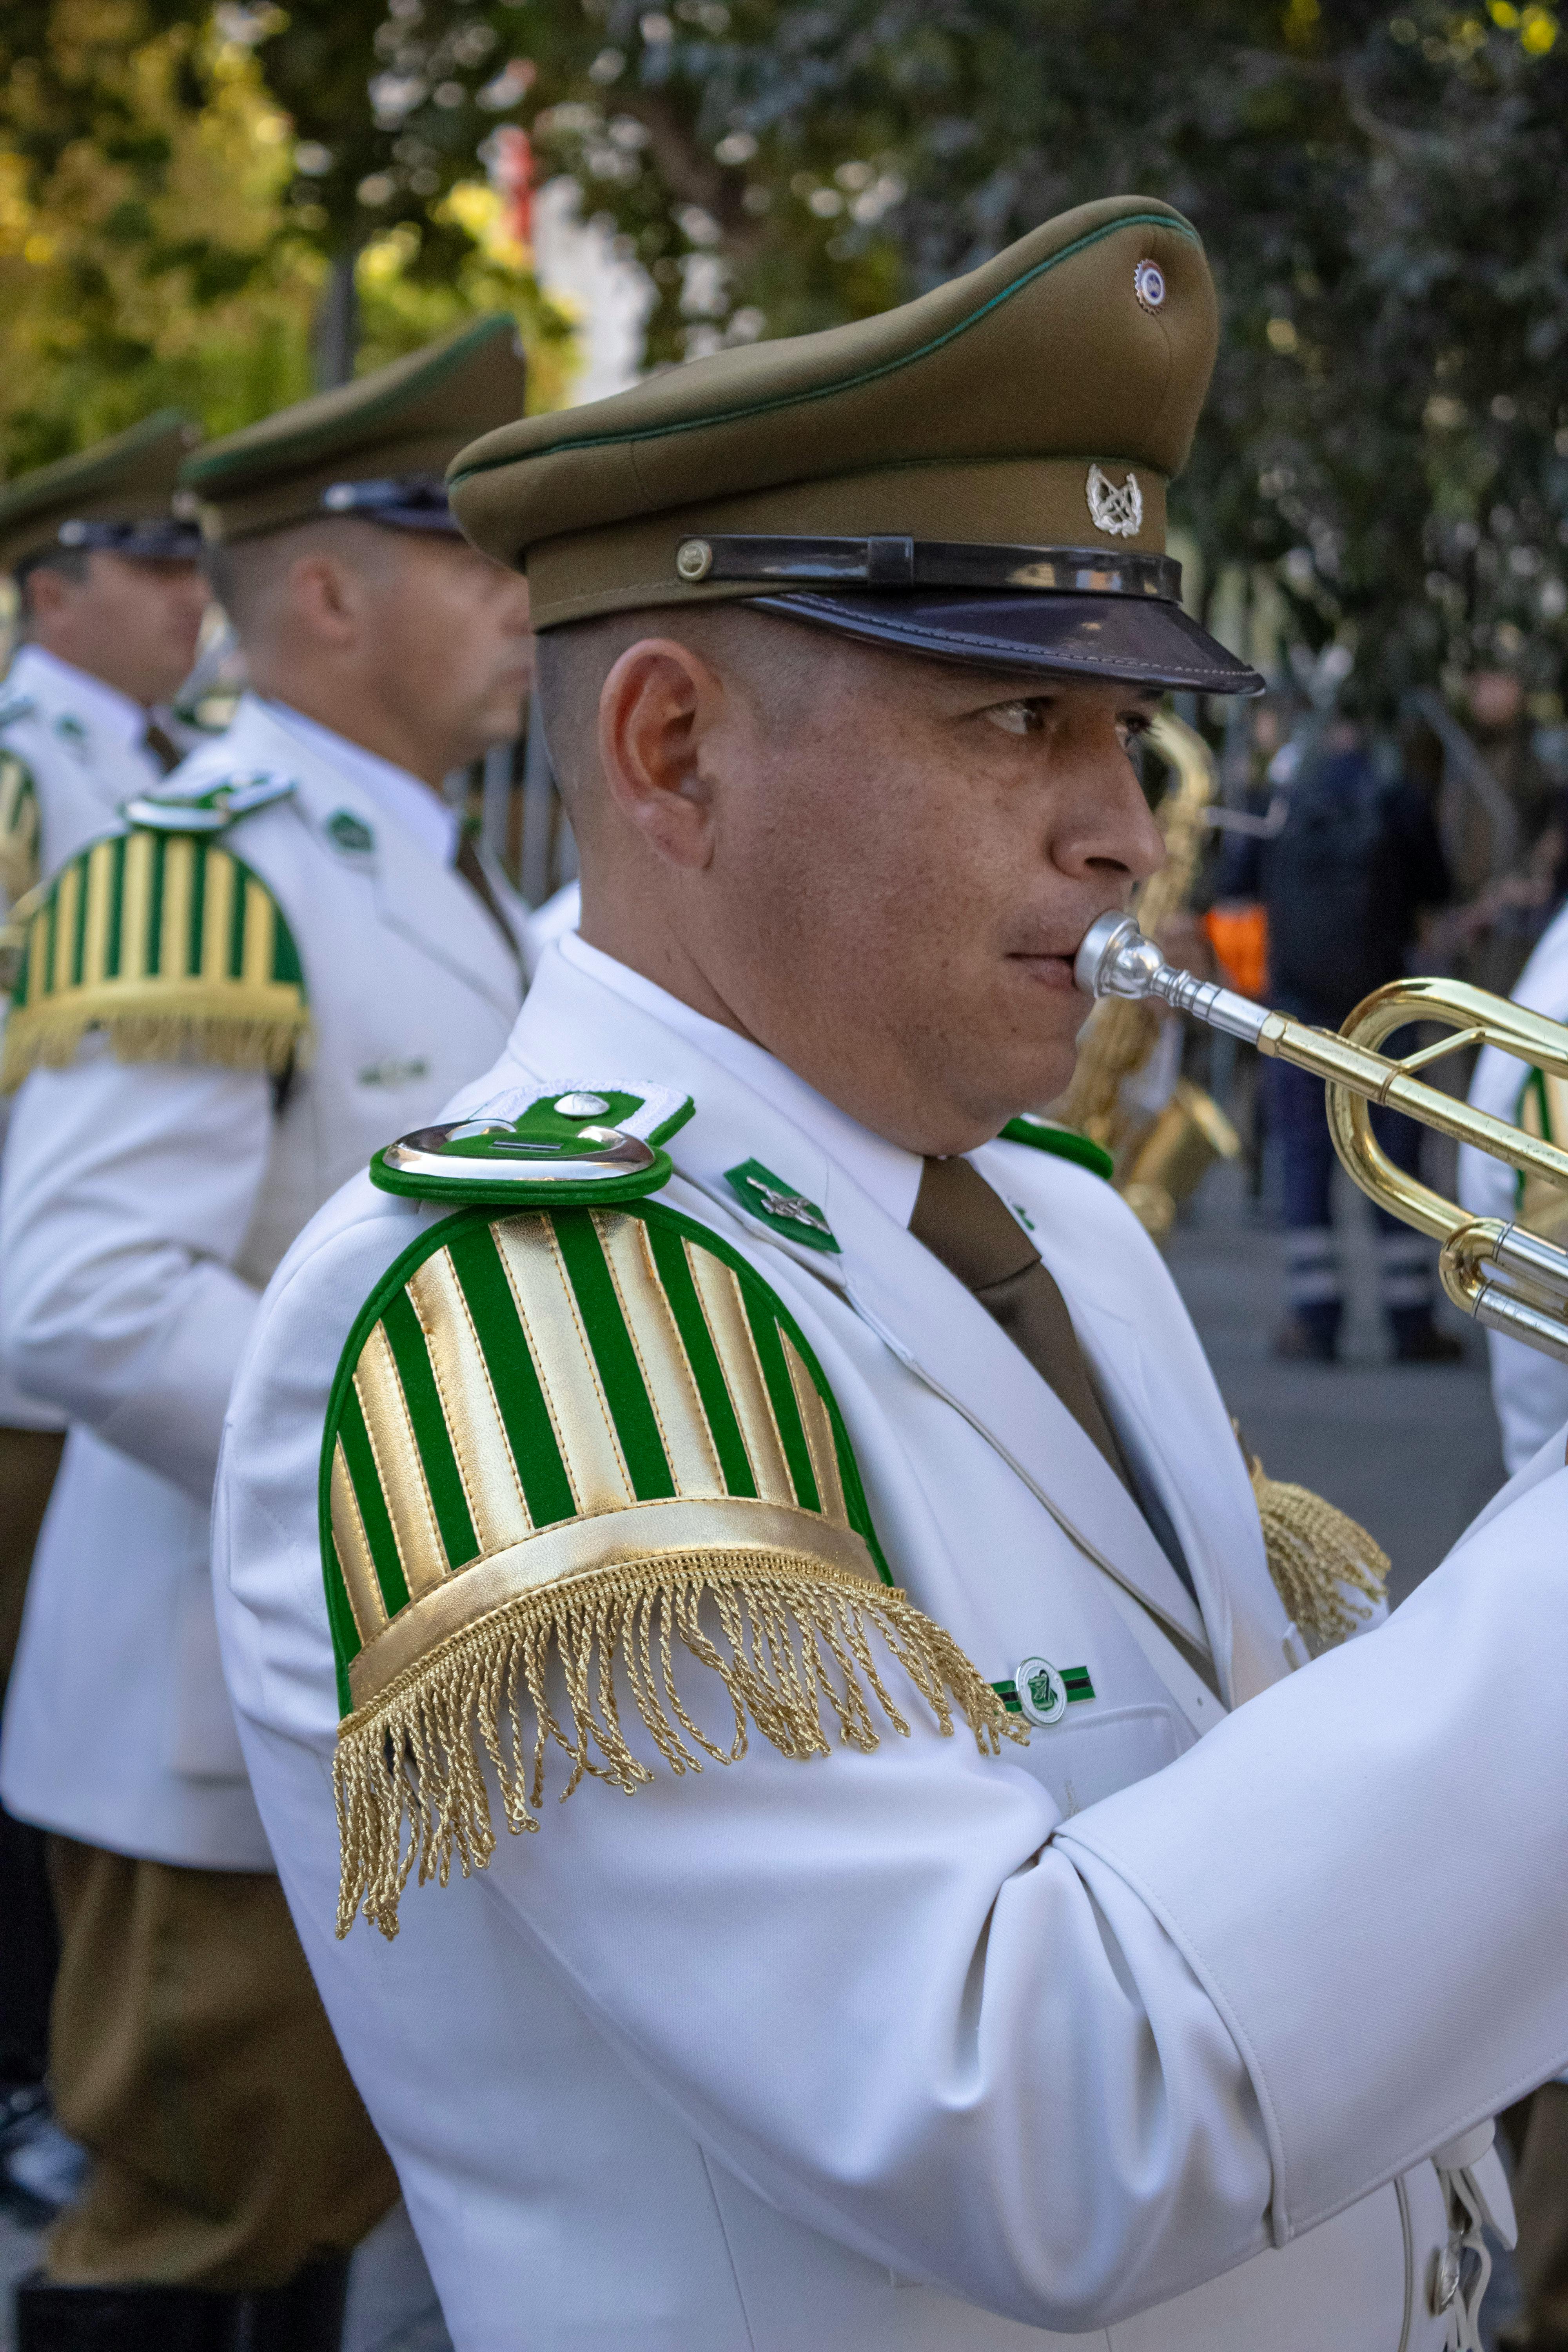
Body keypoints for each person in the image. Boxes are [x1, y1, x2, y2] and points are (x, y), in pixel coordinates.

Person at [206, 196, 1568, 2352]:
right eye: (1019, 721)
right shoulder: (515, 1310)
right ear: (673, 754)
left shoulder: (1064, 1219)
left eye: (1128, 731)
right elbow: (1045, 2124)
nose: (1124, 827)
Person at [0, 314, 533, 2350]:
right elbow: (84, 1299)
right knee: (198, 2240)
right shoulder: (195, 867)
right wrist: (453, 1486)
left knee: (313, 2227)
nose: (523, 607)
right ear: (326, 592)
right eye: (480, 562)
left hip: (367, 1696)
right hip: (216, 1713)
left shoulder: (429, 862)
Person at [0, 411, 209, 2210]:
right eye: (148, 567)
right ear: (50, 591)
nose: (184, 599)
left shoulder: (162, 760)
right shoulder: (22, 764)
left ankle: (47, 2062)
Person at [1218, 716, 1456, 1361]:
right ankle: (1411, 1322)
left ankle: (1316, 1320)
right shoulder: (1400, 796)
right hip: (1384, 1012)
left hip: (1297, 1011)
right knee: (1396, 1160)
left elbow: (1234, 886)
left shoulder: (1282, 798)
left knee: (1304, 1159)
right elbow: (1439, 887)